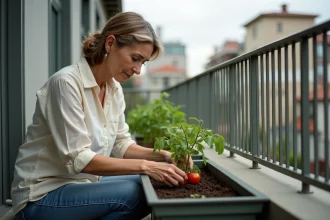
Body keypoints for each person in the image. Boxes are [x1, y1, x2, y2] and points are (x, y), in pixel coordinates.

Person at [11, 11, 190, 220]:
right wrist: (147, 165)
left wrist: (164, 155)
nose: (138, 70)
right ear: (110, 44)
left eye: (143, 62)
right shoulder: (66, 83)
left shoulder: (114, 89)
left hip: (81, 185)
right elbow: (79, 159)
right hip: (41, 196)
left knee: (148, 183)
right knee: (135, 194)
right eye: (135, 59)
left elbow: (122, 144)